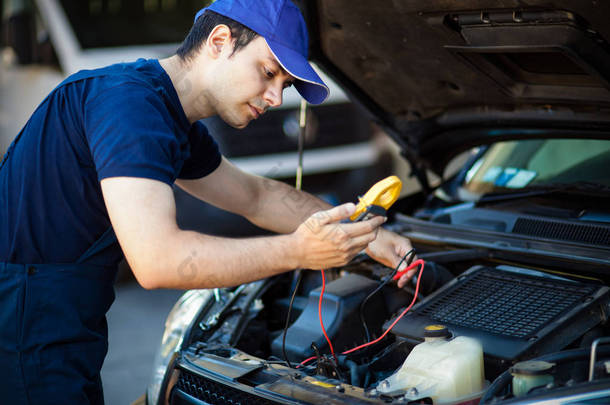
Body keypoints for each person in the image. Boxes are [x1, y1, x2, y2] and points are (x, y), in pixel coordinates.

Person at [0, 0, 415, 403]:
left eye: (284, 85)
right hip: (26, 321)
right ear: (220, 41)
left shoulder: (167, 114)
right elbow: (157, 261)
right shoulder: (128, 105)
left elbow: (256, 196)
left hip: (67, 317)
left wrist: (368, 236)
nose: (275, 98)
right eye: (268, 73)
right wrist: (300, 251)